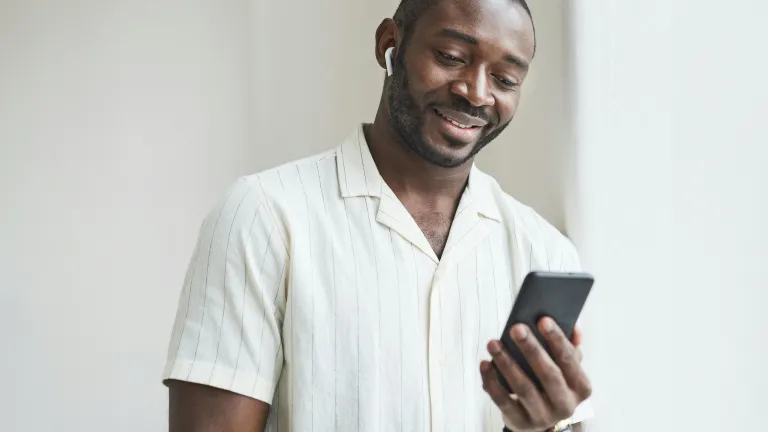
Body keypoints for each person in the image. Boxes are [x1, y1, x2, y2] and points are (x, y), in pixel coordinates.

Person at [162, 0, 594, 430]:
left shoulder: (545, 251)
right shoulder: (263, 216)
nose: (477, 92)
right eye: (451, 57)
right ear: (389, 44)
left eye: (504, 78)